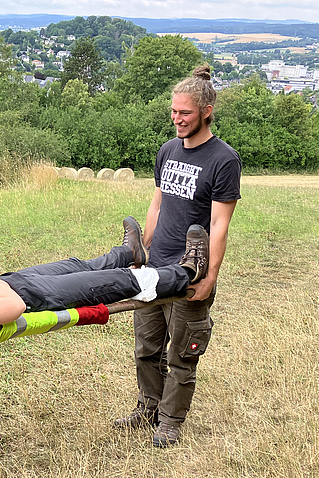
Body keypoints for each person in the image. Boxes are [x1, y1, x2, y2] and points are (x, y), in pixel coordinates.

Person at [0, 217, 209, 368]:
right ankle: (187, 272)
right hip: (38, 298)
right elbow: (12, 307)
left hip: (21, 280)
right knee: (114, 283)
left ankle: (131, 252)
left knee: (82, 265)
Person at [113, 65, 241, 448]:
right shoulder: (167, 150)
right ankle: (147, 408)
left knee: (183, 355)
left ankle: (169, 423)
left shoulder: (223, 159)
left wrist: (210, 277)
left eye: (185, 113)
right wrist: (140, 253)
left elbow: (219, 225)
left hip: (188, 273)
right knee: (146, 348)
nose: (177, 119)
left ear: (206, 111)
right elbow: (157, 205)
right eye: (173, 111)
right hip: (154, 268)